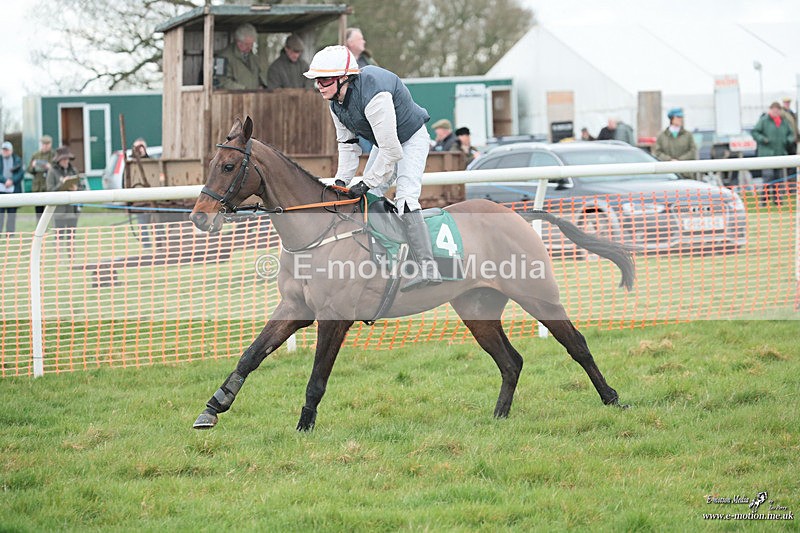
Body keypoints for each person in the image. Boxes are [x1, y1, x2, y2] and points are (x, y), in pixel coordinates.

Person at [303, 45, 441, 291]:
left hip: (410, 139)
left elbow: (393, 152)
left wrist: (366, 182)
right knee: (369, 199)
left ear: (343, 78)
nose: (319, 86)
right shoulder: (335, 102)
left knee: (406, 199)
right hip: (386, 143)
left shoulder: (374, 95)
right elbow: (348, 146)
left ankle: (428, 266)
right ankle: (387, 257)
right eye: (317, 81)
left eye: (324, 80)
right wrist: (341, 182)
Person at [752, 101, 795, 205]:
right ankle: (764, 200)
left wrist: (788, 140)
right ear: (770, 110)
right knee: (767, 178)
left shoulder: (783, 122)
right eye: (774, 110)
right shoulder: (764, 120)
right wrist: (763, 139)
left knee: (779, 179)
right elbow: (755, 132)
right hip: (767, 155)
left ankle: (778, 200)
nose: (776, 112)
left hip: (780, 154)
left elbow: (791, 134)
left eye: (777, 110)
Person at [46, 146, 84, 256]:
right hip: (59, 211)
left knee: (71, 236)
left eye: (67, 159)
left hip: (72, 210)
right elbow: (49, 190)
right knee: (59, 236)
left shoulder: (74, 170)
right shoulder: (52, 172)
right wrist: (61, 184)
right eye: (63, 159)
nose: (66, 161)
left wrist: (76, 189)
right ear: (58, 160)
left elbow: (81, 188)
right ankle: (58, 258)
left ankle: (71, 257)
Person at [214, 23, 267, 90]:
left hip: (253, 97)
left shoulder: (253, 57)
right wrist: (244, 89)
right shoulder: (221, 59)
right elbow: (220, 82)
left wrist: (262, 85)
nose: (250, 48)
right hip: (233, 98)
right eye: (247, 44)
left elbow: (259, 76)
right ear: (239, 43)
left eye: (252, 44)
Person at [653, 108, 698, 178]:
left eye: (681, 117)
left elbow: (693, 150)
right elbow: (657, 152)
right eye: (678, 117)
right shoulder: (662, 136)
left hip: (685, 173)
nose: (680, 119)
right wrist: (669, 160)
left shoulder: (688, 135)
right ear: (671, 119)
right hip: (668, 173)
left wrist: (679, 160)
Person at [27, 134, 55, 219]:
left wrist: (49, 167)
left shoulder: (54, 155)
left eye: (47, 144)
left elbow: (57, 170)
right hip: (38, 187)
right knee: (39, 213)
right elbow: (29, 170)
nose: (45, 146)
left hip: (49, 187)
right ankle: (40, 231)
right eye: (44, 144)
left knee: (49, 213)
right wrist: (34, 166)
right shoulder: (36, 155)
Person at [0, 141, 24, 233]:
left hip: (13, 191)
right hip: (1, 191)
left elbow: (21, 173)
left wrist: (12, 180)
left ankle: (10, 234)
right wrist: (4, 180)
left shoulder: (17, 160)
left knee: (12, 214)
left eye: (6, 150)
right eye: (3, 150)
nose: (5, 151)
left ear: (11, 150)